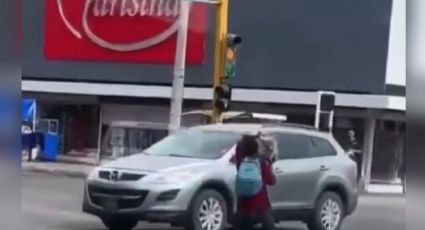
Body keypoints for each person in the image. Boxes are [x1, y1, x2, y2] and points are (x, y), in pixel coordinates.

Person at [233, 134, 276, 230]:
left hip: (243, 201)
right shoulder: (261, 161)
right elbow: (271, 181)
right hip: (260, 201)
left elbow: (238, 150)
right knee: (268, 224)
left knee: (243, 225)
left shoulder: (241, 160)